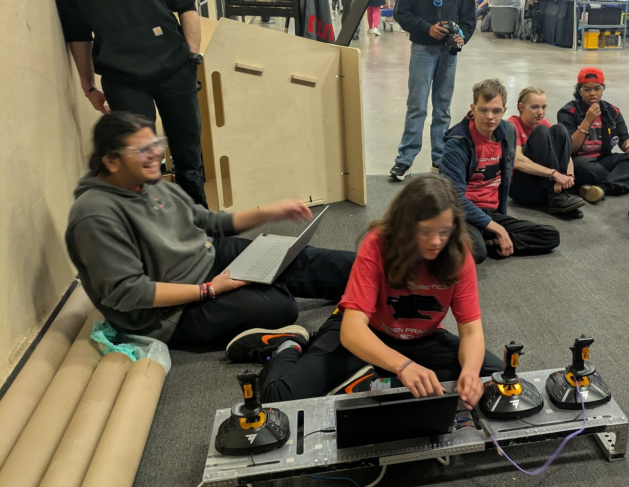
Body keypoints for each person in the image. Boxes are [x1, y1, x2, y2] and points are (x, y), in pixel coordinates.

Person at [66, 113, 357, 362]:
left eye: (156, 143)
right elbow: (130, 293)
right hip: (170, 312)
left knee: (298, 257)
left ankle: (377, 277)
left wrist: (270, 212)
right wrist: (209, 290)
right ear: (111, 161)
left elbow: (210, 222)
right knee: (281, 306)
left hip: (207, 257)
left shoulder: (149, 183)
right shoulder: (95, 215)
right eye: (142, 149)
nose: (156, 153)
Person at [257, 175, 502, 404]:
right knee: (280, 397)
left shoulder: (458, 255)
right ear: (407, 226)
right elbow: (352, 330)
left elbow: (471, 331)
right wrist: (403, 366)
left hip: (421, 338)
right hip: (366, 332)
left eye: (444, 232)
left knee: (493, 377)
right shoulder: (378, 244)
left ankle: (371, 380)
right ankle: (291, 343)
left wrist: (470, 373)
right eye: (425, 231)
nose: (436, 241)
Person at [50, 0, 208, 207]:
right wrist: (88, 85)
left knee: (189, 159)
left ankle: (200, 230)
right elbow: (76, 28)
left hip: (174, 66)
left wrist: (192, 52)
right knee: (140, 164)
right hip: (123, 77)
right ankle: (155, 229)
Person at [390, 0, 477, 181]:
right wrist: (427, 28)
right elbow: (401, 12)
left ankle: (439, 160)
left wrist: (461, 37)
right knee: (417, 106)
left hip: (449, 54)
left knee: (443, 108)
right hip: (423, 50)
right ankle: (405, 159)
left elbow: (469, 19)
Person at [440, 79, 560, 263]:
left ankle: (491, 243)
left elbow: (505, 180)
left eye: (496, 111)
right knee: (477, 252)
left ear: (504, 111)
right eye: (483, 110)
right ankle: (483, 241)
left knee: (550, 235)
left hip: (492, 212)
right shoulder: (457, 143)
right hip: (465, 214)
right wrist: (495, 227)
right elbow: (453, 198)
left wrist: (498, 222)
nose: (490, 116)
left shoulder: (507, 131)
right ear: (473, 109)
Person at [557, 68, 629, 203]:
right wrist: (587, 121)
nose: (593, 93)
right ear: (579, 91)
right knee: (582, 166)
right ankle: (617, 182)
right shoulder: (568, 112)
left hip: (602, 159)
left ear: (603, 90)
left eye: (597, 88)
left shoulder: (612, 111)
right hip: (578, 161)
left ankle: (602, 188)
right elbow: (571, 148)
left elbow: (623, 140)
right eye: (587, 89)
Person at [508, 87, 586, 217]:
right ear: (521, 107)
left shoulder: (544, 122)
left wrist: (568, 176)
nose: (541, 112)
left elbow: (565, 155)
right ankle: (556, 196)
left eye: (544, 107)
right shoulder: (512, 125)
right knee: (541, 130)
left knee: (560, 129)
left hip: (545, 186)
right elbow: (518, 162)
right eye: (535, 107)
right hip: (523, 189)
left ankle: (558, 196)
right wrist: (553, 174)